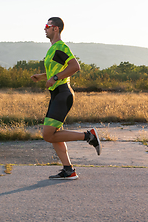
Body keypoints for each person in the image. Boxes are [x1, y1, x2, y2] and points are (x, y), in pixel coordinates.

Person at [31, 17, 101, 180]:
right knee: (55, 134)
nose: (45, 29)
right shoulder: (53, 49)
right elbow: (58, 70)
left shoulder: (60, 47)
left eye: (47, 26)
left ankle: (89, 136)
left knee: (48, 135)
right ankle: (69, 170)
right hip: (57, 95)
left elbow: (75, 66)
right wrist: (42, 77)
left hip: (63, 94)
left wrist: (54, 78)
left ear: (55, 28)